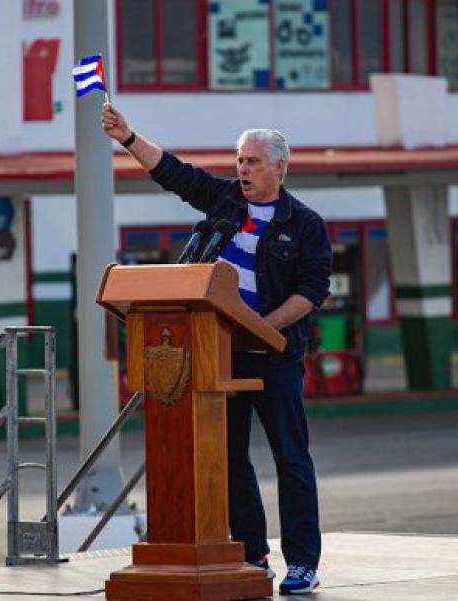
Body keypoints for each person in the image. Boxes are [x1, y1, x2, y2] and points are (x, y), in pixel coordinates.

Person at [101, 102, 331, 595]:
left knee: (291, 458)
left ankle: (304, 562)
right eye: (240, 161)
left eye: (252, 161)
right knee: (228, 459)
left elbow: (312, 290)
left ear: (279, 168)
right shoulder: (224, 204)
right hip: (219, 354)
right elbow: (174, 173)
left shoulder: (305, 224)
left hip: (276, 358)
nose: (242, 169)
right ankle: (251, 553)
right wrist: (128, 136)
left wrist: (261, 328)